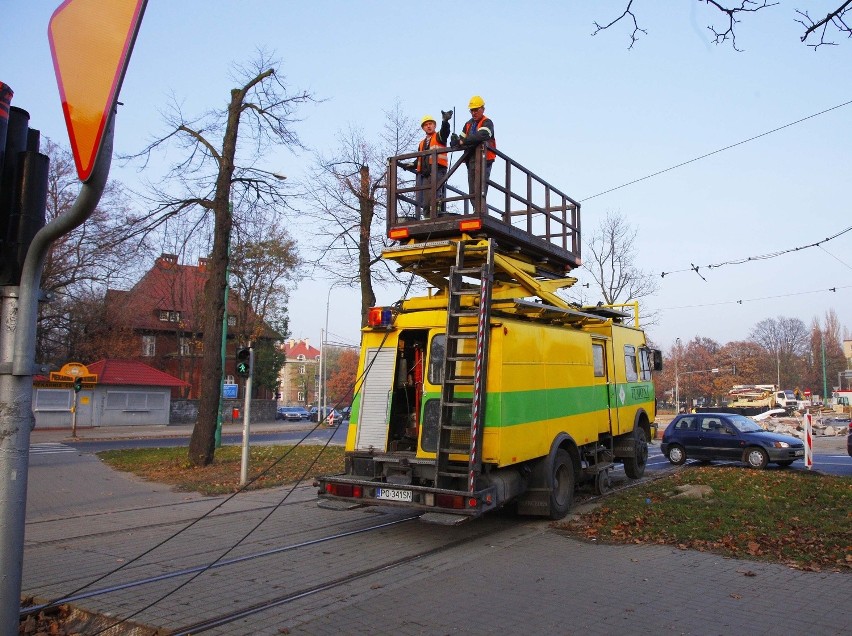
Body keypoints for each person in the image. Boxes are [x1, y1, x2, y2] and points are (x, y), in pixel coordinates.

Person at [403, 111, 452, 217]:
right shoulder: (421, 143)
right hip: (426, 173)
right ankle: (427, 217)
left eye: (430, 124)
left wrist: (445, 121)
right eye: (426, 125)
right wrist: (411, 164)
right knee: (426, 200)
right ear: (423, 128)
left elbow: (445, 132)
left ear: (434, 125)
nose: (428, 126)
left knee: (435, 194)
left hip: (438, 169)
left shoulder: (439, 137)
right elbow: (420, 159)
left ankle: (436, 215)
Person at [451, 95, 496, 211]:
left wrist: (462, 141)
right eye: (472, 110)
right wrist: (455, 141)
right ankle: (477, 210)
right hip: (471, 160)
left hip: (484, 159)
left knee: (480, 188)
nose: (474, 113)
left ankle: (481, 212)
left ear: (483, 109)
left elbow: (482, 135)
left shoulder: (487, 122)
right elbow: (461, 140)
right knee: (472, 190)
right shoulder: (468, 124)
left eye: (476, 110)